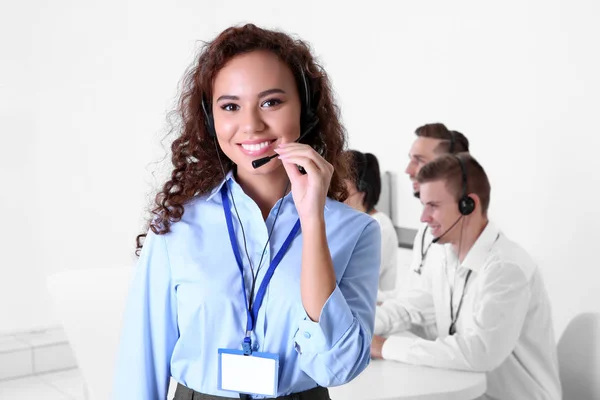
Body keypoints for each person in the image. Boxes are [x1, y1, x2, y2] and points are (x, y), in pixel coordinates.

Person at [113, 24, 381, 400]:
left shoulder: (353, 230)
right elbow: (141, 361)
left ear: (304, 110)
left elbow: (337, 367)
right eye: (230, 106)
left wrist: (313, 221)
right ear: (210, 119)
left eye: (271, 102)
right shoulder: (177, 226)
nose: (251, 125)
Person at [371, 153, 561, 400]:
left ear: (468, 205)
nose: (423, 218)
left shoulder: (506, 269)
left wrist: (385, 347)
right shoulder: (444, 258)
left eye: (434, 206)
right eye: (423, 205)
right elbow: (410, 309)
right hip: (470, 393)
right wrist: (360, 328)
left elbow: (479, 352)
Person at [344, 150, 399, 302]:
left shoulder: (380, 226)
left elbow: (352, 279)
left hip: (373, 311)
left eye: (343, 185)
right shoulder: (349, 222)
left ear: (362, 189)